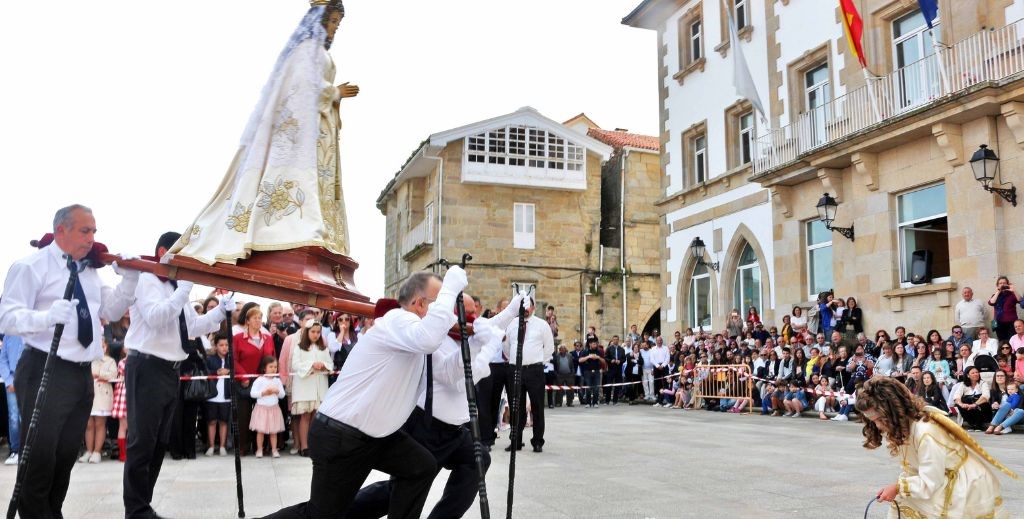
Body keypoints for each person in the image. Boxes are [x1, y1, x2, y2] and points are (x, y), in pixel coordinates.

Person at [263, 268, 466, 519]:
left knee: (420, 467)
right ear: (419, 303)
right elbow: (428, 338)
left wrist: (481, 341)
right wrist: (450, 289)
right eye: (439, 303)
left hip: (376, 436)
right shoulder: (399, 321)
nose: (449, 313)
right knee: (320, 515)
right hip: (342, 434)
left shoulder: (413, 334)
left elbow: (447, 371)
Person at [170, 0, 357, 265]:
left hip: (315, 130)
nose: (335, 28)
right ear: (320, 19)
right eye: (333, 21)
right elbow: (303, 85)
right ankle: (290, 231)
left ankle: (317, 232)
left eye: (338, 23)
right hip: (297, 135)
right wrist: (335, 92)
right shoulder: (305, 50)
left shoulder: (316, 51)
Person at [0, 205, 139, 519]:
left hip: (81, 374)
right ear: (61, 230)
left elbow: (113, 310)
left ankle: (53, 511)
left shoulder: (89, 271)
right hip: (45, 368)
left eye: (94, 231)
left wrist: (129, 281)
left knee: (64, 458)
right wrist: (45, 316)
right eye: (84, 230)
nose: (91, 238)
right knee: (40, 459)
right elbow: (6, 316)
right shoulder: (31, 266)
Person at [346, 293, 515, 519]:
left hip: (454, 430)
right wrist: (484, 347)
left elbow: (486, 327)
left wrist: (513, 310)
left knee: (478, 461)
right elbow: (457, 379)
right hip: (427, 427)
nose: (472, 318)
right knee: (402, 491)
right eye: (466, 313)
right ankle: (339, 512)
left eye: (473, 312)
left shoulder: (463, 332)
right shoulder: (434, 337)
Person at [121, 232, 231, 518]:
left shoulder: (176, 286)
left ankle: (143, 504)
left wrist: (220, 312)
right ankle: (136, 509)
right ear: (162, 252)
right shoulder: (147, 279)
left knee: (159, 441)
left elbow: (191, 328)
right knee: (142, 441)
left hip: (171, 369)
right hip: (146, 365)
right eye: (180, 253)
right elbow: (157, 317)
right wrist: (182, 290)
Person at [856, 377, 1016, 518]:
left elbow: (931, 481)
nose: (877, 426)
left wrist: (899, 487)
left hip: (959, 485)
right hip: (937, 478)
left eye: (878, 419)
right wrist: (899, 487)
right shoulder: (906, 425)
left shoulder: (926, 432)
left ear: (893, 412)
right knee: (905, 503)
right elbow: (914, 468)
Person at [502, 294, 554, 452]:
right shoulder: (511, 324)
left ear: (533, 307)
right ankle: (516, 440)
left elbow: (549, 348)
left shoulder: (542, 325)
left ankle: (537, 441)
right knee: (515, 406)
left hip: (534, 370)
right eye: (522, 306)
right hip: (515, 370)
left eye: (527, 306)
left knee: (537, 407)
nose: (524, 309)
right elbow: (506, 347)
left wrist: (536, 362)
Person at [234, 305, 276, 455]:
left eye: (260, 318)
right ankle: (243, 447)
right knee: (244, 415)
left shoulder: (268, 338)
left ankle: (261, 447)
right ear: (247, 321)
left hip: (264, 381)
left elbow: (272, 358)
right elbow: (233, 360)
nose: (258, 321)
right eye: (255, 318)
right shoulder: (238, 338)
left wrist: (271, 377)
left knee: (263, 413)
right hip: (245, 382)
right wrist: (243, 376)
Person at [289, 321, 334, 456]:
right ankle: (304, 446)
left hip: (319, 388)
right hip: (305, 388)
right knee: (305, 416)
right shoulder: (299, 348)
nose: (315, 335)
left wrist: (324, 365)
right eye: (313, 332)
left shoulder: (323, 348)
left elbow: (330, 364)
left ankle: (315, 445)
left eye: (318, 332)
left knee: (316, 418)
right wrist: (312, 365)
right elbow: (295, 365)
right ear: (307, 332)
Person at [477, 297, 509, 450]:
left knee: (497, 403)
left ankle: (492, 433)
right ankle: (486, 437)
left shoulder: (514, 325)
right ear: (498, 310)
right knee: (486, 402)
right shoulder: (491, 323)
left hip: (507, 365)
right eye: (504, 308)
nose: (507, 311)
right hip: (491, 365)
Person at [81, 340, 117, 464]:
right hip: (88, 395)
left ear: (106, 347)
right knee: (88, 425)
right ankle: (89, 451)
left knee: (100, 424)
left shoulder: (110, 361)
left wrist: (99, 374)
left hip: (102, 396)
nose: (100, 348)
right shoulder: (88, 360)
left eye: (102, 346)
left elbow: (114, 374)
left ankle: (97, 452)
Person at [248, 356, 286, 458]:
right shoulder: (259, 380)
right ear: (264, 368)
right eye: (271, 366)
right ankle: (259, 449)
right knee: (260, 431)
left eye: (275, 367)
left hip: (274, 409)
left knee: (273, 431)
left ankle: (274, 450)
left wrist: (277, 391)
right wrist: (264, 393)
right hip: (262, 409)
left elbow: (282, 395)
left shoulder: (277, 381)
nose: (273, 369)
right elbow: (252, 393)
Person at [205, 335, 231, 456]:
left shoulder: (231, 360)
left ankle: (222, 446)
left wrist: (229, 371)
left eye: (226, 345)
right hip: (212, 396)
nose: (224, 348)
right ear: (215, 346)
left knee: (224, 422)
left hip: (226, 397)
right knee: (211, 421)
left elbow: (238, 372)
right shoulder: (210, 359)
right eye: (221, 345)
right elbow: (205, 373)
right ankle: (211, 446)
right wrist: (216, 372)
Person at [0, 334, 24, 466]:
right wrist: (9, 382)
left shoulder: (32, 333)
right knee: (14, 417)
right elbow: (2, 360)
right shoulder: (9, 336)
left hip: (29, 381)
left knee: (26, 417)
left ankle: (28, 451)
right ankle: (15, 451)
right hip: (12, 381)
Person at [953, 366, 993, 431]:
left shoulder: (983, 383)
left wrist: (974, 404)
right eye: (973, 373)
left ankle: (978, 424)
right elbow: (956, 396)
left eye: (977, 372)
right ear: (968, 375)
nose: (976, 374)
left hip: (981, 409)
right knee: (963, 401)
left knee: (982, 401)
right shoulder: (963, 384)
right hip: (969, 410)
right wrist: (961, 404)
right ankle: (972, 424)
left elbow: (986, 396)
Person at [603, 336, 625, 404]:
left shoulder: (621, 349)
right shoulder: (609, 348)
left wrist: (620, 361)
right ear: (612, 340)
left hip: (618, 369)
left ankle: (615, 401)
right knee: (609, 385)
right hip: (611, 369)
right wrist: (610, 360)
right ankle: (607, 400)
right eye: (614, 339)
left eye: (617, 340)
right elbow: (605, 357)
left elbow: (624, 359)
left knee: (617, 385)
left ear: (619, 340)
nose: (615, 341)